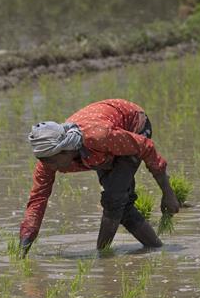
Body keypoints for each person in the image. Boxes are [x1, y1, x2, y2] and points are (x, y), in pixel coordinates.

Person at [19, 99, 180, 256]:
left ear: (66, 149)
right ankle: (157, 249)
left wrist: (168, 193)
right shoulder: (48, 160)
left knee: (114, 199)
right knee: (122, 207)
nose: (50, 167)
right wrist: (24, 245)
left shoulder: (98, 138)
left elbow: (146, 146)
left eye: (53, 162)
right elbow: (37, 200)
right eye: (45, 162)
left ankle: (102, 256)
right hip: (103, 148)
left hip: (133, 124)